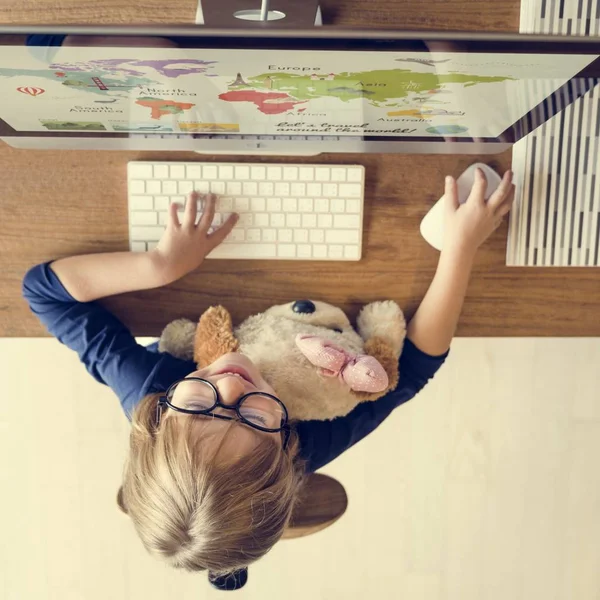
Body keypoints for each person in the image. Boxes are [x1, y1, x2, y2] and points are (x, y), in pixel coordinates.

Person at [22, 169, 515, 577]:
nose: (234, 382)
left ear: (159, 421)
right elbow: (415, 368)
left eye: (197, 405)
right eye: (256, 419)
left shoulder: (148, 389)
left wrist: (158, 265)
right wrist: (462, 248)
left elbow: (44, 294)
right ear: (286, 449)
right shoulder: (305, 448)